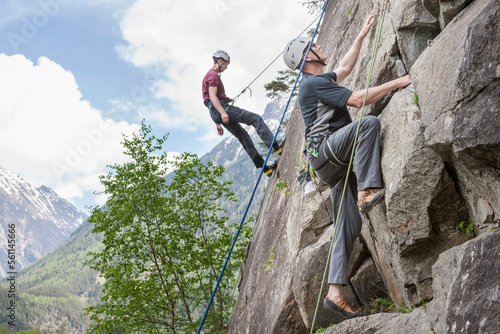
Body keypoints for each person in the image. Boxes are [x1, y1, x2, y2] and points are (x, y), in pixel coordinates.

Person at [283, 12, 411, 319]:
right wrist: (399, 82)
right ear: (307, 56)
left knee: (348, 223)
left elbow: (344, 67)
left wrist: (361, 35)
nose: (320, 46)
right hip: (327, 152)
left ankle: (335, 293)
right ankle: (368, 189)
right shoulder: (311, 85)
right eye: (314, 45)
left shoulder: (318, 81)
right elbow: (356, 101)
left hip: (329, 163)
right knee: (367, 124)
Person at [202, 50, 283, 176]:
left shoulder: (207, 76)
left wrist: (217, 121)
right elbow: (213, 97)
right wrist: (223, 112)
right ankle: (277, 147)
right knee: (255, 119)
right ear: (220, 61)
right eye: (226, 64)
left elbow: (208, 101)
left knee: (243, 136)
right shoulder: (213, 75)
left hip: (214, 113)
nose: (226, 67)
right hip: (221, 108)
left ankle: (265, 168)